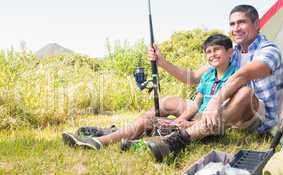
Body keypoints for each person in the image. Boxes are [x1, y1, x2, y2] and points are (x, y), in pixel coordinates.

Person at [146, 4, 282, 161]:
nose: (236, 28)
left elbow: (243, 76)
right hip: (230, 115)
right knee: (167, 102)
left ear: (257, 24)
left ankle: (179, 139)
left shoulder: (269, 50)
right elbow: (193, 77)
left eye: (241, 22)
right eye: (232, 24)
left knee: (245, 92)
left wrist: (215, 102)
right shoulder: (233, 52)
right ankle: (122, 134)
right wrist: (162, 62)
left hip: (257, 116)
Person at [62, 33, 236, 150]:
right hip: (193, 118)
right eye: (208, 52)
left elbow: (223, 118)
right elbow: (197, 102)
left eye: (216, 50)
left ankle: (100, 142)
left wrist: (188, 125)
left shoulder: (235, 77)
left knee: (156, 126)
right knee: (150, 121)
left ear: (230, 52)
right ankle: (114, 137)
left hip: (206, 127)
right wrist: (181, 119)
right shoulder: (208, 75)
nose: (212, 55)